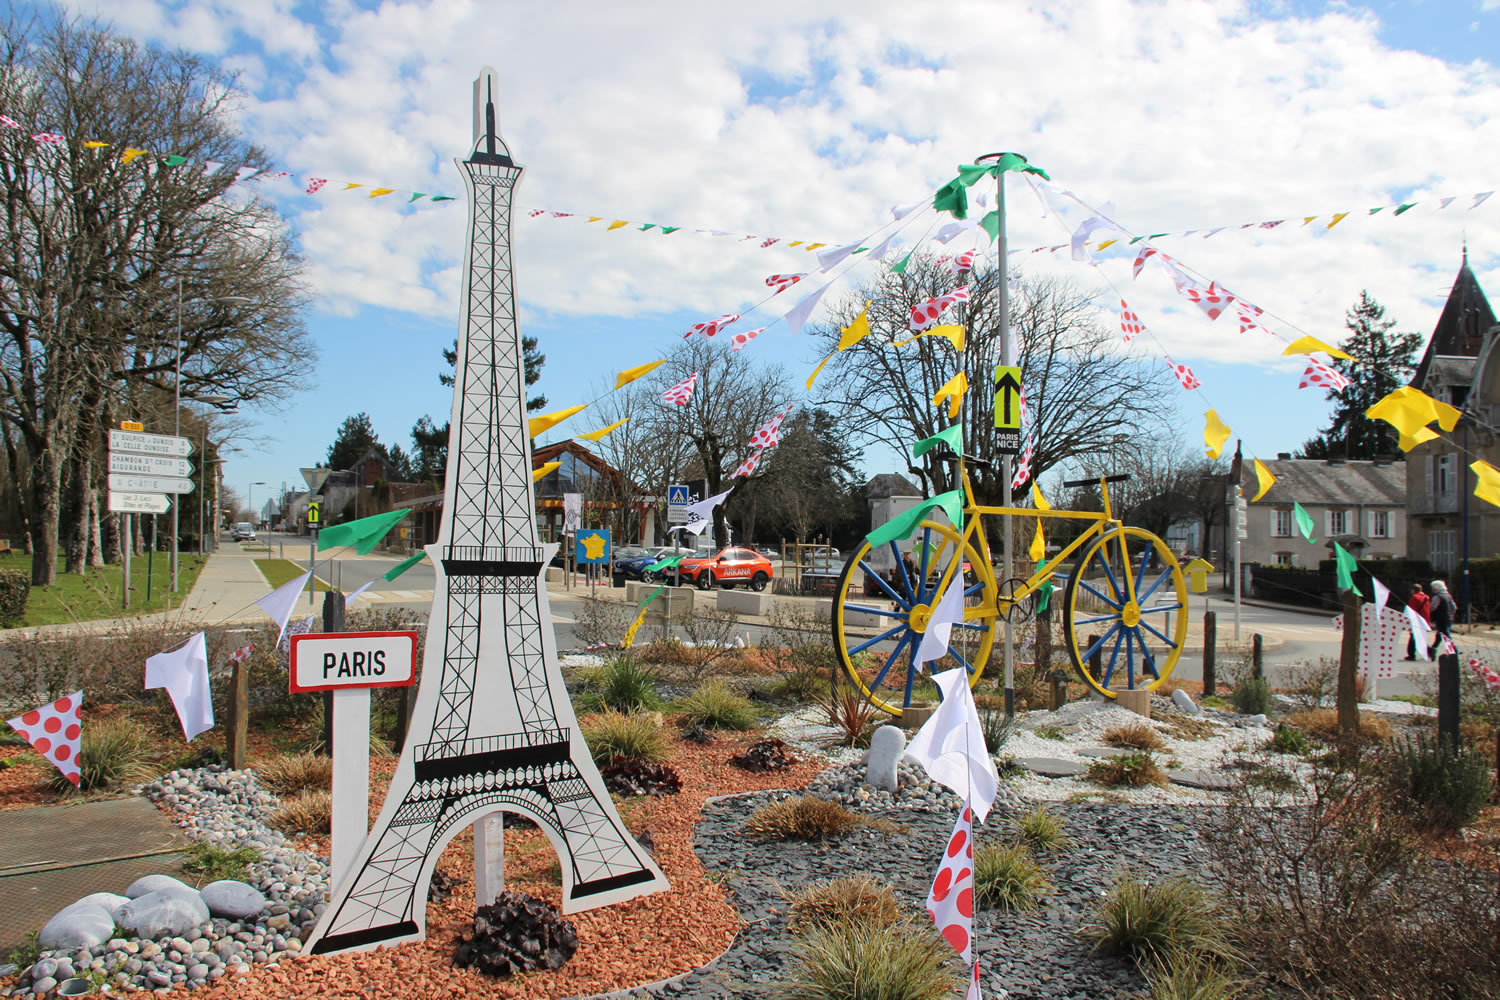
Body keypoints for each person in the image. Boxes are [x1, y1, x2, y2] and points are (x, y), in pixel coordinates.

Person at [1428, 579, 1457, 657]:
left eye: (1433, 588)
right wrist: (1450, 614)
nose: (1432, 590)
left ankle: (1454, 651)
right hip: (1449, 618)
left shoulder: (1437, 597)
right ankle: (1432, 649)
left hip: (1441, 619)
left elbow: (1432, 607)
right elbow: (1454, 607)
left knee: (1446, 635)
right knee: (1440, 635)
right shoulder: (1448, 595)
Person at [1404, 583, 1431, 660]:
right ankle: (1429, 651)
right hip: (1425, 620)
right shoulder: (1426, 597)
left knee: (1413, 637)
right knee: (1419, 637)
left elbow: (1411, 610)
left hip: (1416, 619)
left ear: (1413, 590)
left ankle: (1412, 654)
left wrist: (1407, 618)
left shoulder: (1414, 597)